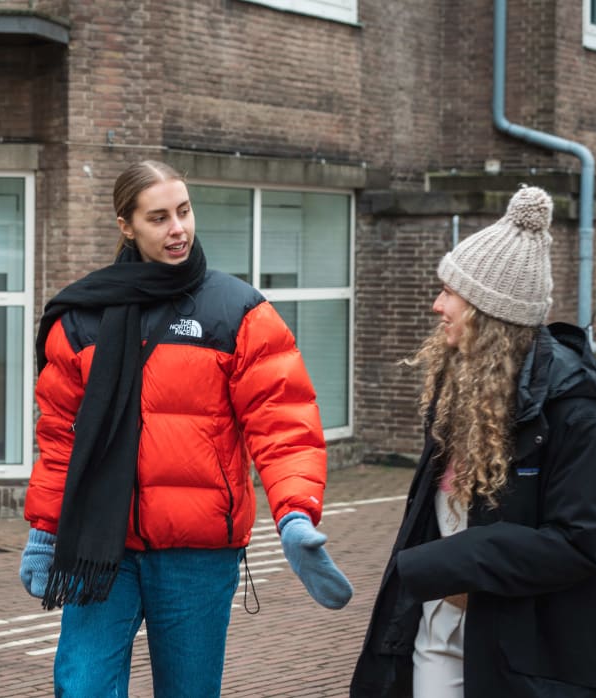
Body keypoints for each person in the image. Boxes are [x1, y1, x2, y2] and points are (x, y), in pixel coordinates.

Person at [20, 160, 353, 697]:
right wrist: (44, 529)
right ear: (126, 225)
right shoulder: (80, 317)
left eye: (184, 211)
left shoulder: (237, 311)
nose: (178, 228)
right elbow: (61, 437)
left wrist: (294, 514)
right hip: (100, 547)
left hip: (197, 555)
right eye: (158, 217)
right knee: (80, 687)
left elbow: (283, 422)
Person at [350, 186, 596, 697]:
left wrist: (448, 565)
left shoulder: (580, 415)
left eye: (451, 293)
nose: (437, 304)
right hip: (438, 631)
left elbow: (579, 543)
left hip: (525, 651)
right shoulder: (458, 388)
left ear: (490, 314)